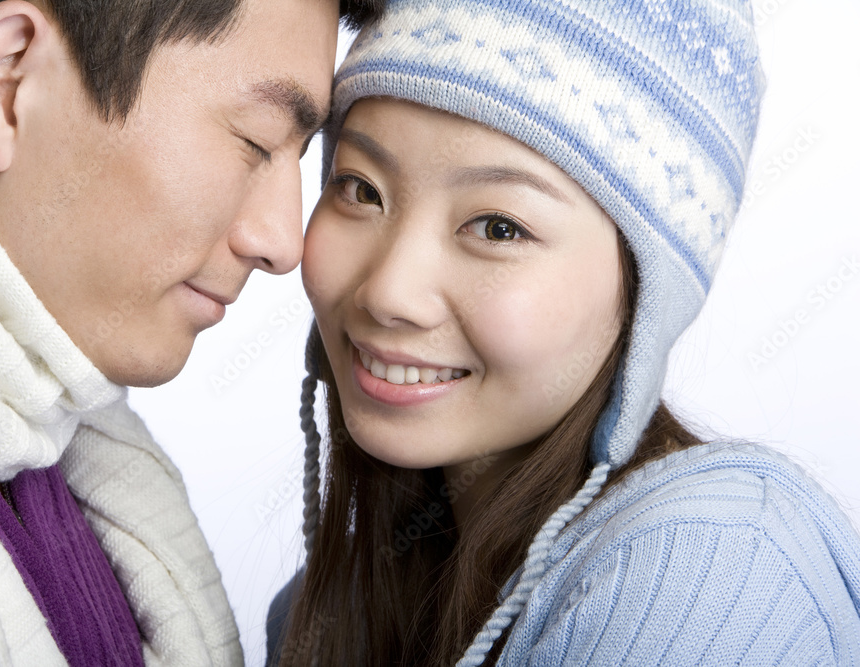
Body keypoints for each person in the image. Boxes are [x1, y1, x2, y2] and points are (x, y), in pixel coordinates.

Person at [266, 0, 860, 664]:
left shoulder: (716, 576)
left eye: (498, 227)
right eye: (360, 188)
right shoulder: (331, 613)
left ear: (644, 290)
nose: (388, 292)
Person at [0, 0, 385, 664]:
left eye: (302, 157)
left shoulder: (51, 444)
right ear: (7, 82)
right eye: (256, 140)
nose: (284, 242)